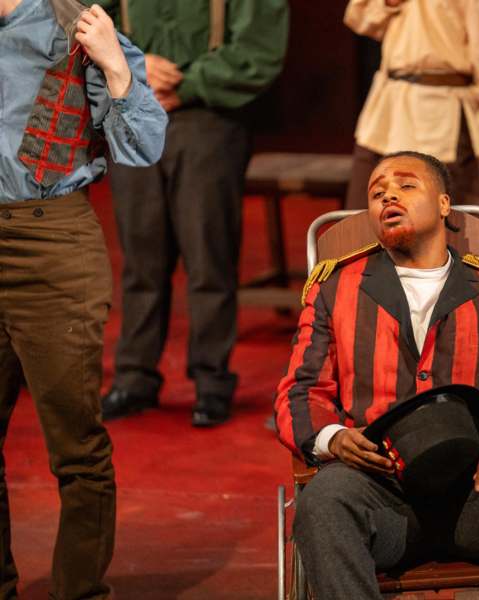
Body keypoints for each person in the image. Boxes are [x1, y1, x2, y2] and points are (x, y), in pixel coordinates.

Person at [274, 151, 479, 599]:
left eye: (406, 185)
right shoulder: (335, 290)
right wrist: (333, 438)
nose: (388, 196)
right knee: (323, 502)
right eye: (377, 192)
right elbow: (301, 391)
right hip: (381, 493)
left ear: (443, 204)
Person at [0, 0, 167, 596]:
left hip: (50, 242)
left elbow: (142, 146)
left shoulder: (75, 21)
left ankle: (79, 592)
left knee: (75, 443)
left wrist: (115, 66)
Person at [98, 0, 289, 427]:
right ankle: (134, 377)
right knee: (141, 258)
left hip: (207, 117)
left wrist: (187, 85)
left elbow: (260, 48)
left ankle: (211, 379)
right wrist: (133, 62)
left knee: (208, 255)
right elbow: (86, 19)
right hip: (133, 109)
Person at [343, 0, 479, 209]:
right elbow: (359, 17)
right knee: (362, 211)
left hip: (441, 109)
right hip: (387, 107)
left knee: (436, 210)